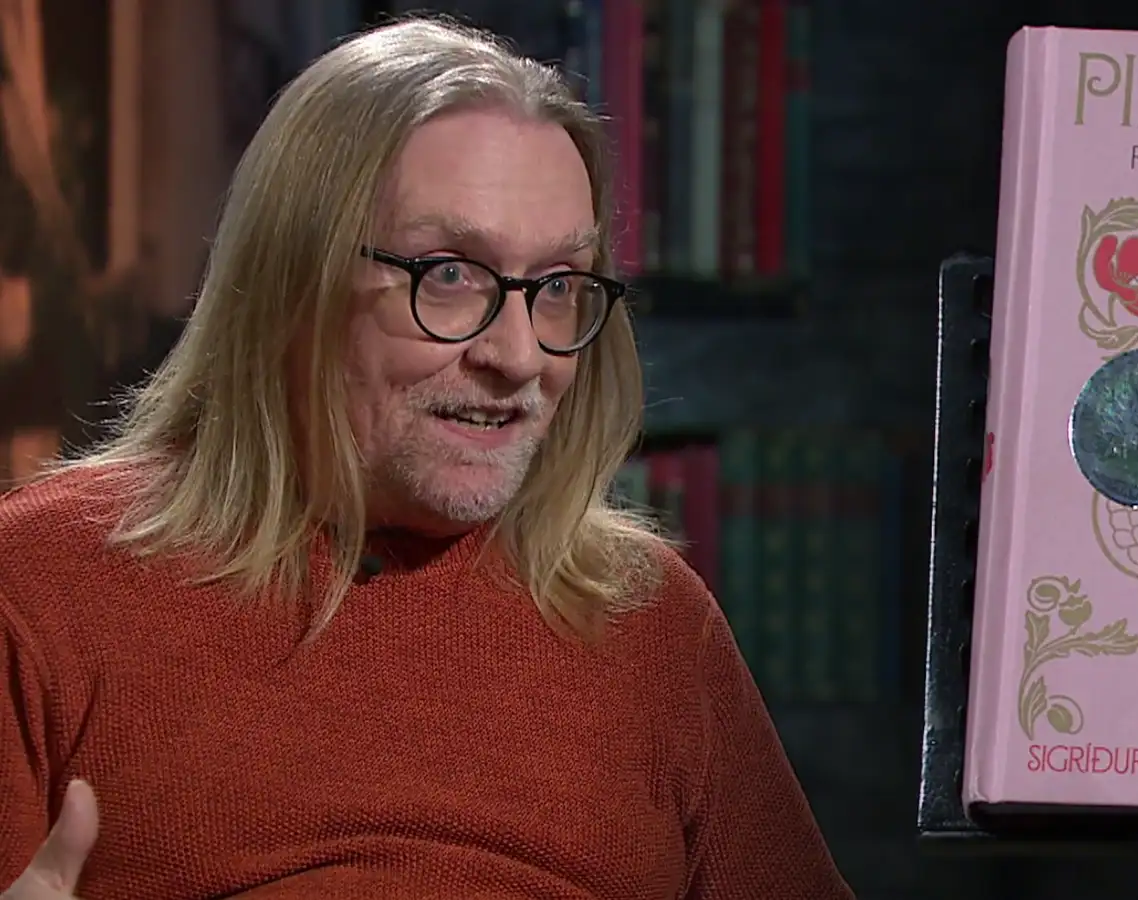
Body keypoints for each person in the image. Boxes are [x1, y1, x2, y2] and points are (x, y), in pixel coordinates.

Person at [0, 18, 854, 900]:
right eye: (449, 274)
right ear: (295, 283)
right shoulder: (38, 587)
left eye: (558, 287)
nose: (518, 356)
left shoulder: (647, 619)